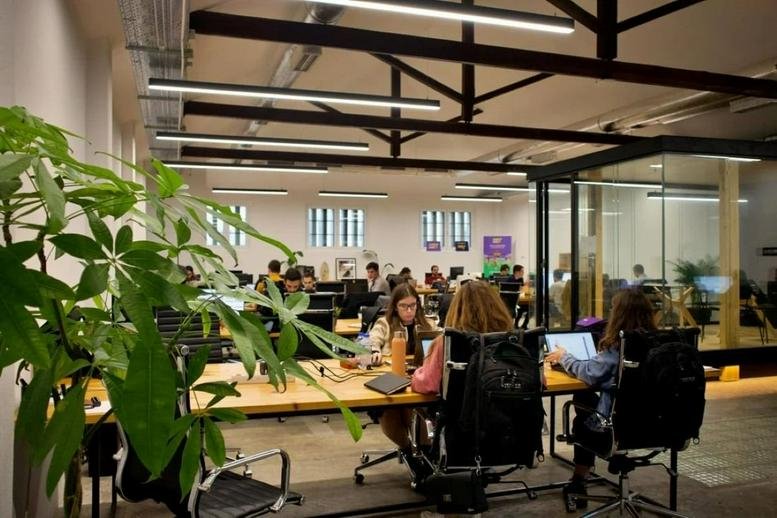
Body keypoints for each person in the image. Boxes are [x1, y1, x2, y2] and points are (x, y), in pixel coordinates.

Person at [379, 280, 514, 472]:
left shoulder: (449, 343)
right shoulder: (514, 343)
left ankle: (416, 454)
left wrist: (417, 371)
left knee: (392, 408)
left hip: (460, 426)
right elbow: (537, 382)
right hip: (504, 427)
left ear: (458, 308)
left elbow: (426, 384)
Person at [544, 288, 657, 512]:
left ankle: (578, 482)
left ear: (620, 314)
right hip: (657, 425)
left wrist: (563, 356)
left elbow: (588, 372)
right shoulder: (658, 343)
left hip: (620, 427)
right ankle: (579, 482)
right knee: (586, 398)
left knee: (582, 403)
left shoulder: (621, 348)